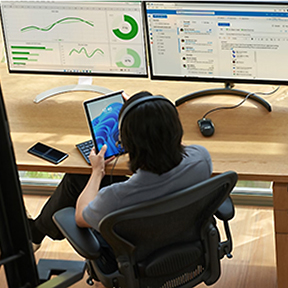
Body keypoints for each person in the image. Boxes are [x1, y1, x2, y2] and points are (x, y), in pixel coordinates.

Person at [28, 91, 213, 252]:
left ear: (125, 145)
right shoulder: (201, 159)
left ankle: (34, 235)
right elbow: (175, 146)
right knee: (77, 179)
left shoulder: (116, 197)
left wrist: (97, 171)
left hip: (138, 252)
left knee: (78, 178)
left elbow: (80, 217)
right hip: (182, 240)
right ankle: (35, 232)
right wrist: (149, 113)